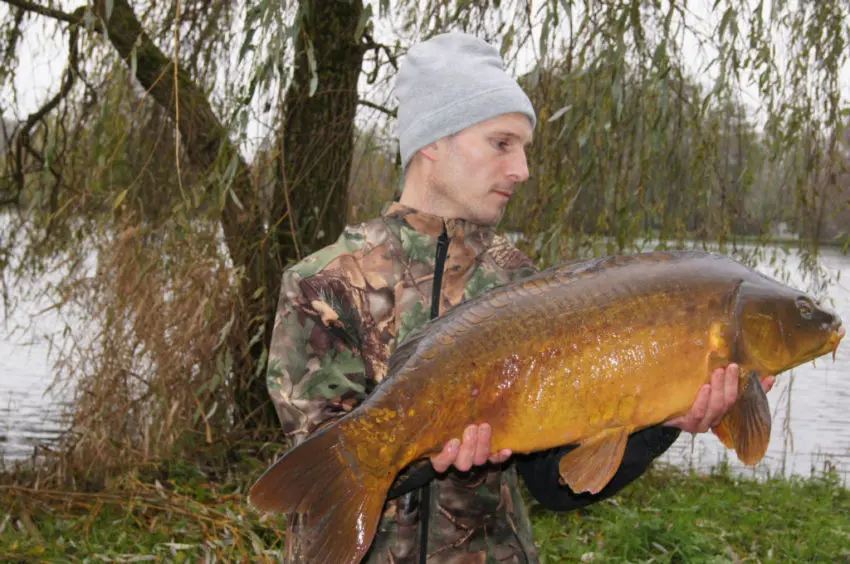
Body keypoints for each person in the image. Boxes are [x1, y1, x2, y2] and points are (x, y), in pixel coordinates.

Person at [265, 32, 775, 563]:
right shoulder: (320, 282)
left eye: (524, 149)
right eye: (502, 143)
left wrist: (664, 423)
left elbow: (557, 485)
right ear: (433, 142)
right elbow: (322, 463)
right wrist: (432, 450)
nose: (522, 170)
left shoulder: (528, 287)